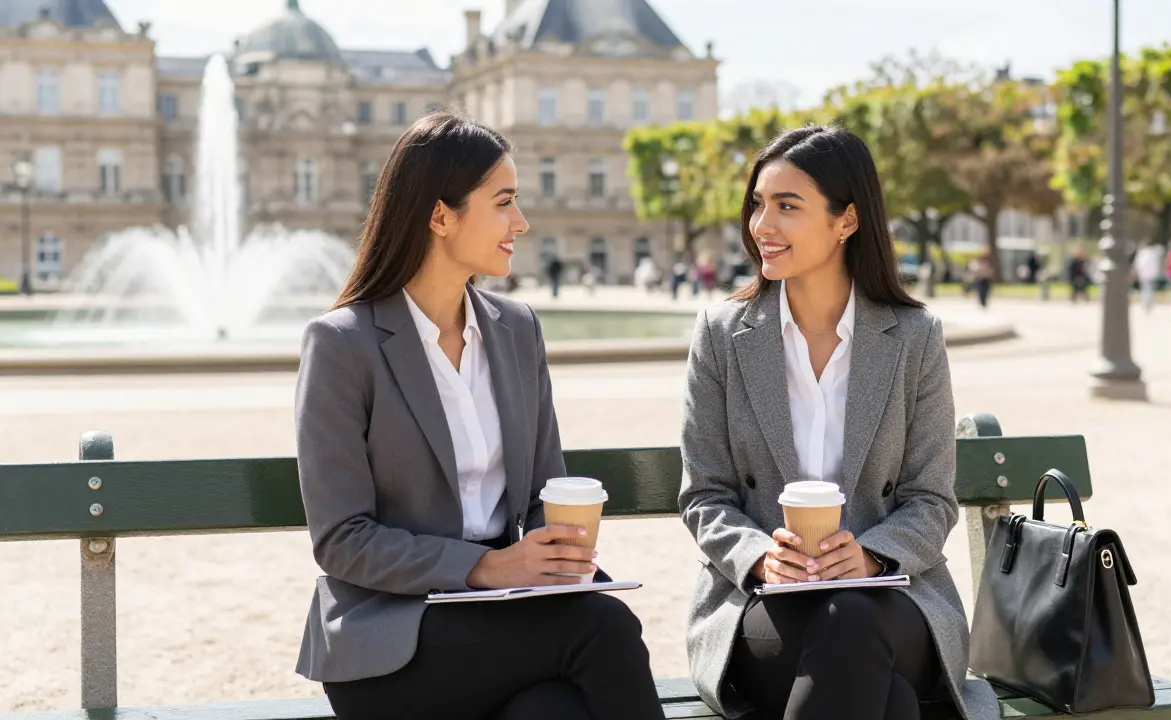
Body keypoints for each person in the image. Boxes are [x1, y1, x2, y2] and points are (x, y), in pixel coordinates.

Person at [293, 112, 664, 720]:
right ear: (440, 216)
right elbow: (341, 540)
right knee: (604, 627)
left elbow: (545, 489)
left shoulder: (516, 329)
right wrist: (487, 567)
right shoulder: (343, 344)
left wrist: (557, 551)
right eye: (504, 202)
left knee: (554, 710)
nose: (521, 222)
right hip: (390, 635)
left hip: (505, 616)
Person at [678, 125, 999, 720]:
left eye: (787, 206)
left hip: (895, 596)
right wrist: (759, 556)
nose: (761, 225)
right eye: (758, 204)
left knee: (852, 619)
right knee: (892, 703)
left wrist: (873, 556)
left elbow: (931, 498)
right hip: (762, 600)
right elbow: (705, 495)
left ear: (846, 220)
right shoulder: (723, 337)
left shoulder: (913, 337)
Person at [1133, 240, 1165, 314]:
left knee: (1146, 290)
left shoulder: (1144, 253)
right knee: (1148, 290)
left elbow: (1138, 264)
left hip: (1146, 275)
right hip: (1150, 275)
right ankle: (1148, 303)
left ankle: (1146, 303)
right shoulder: (1152, 253)